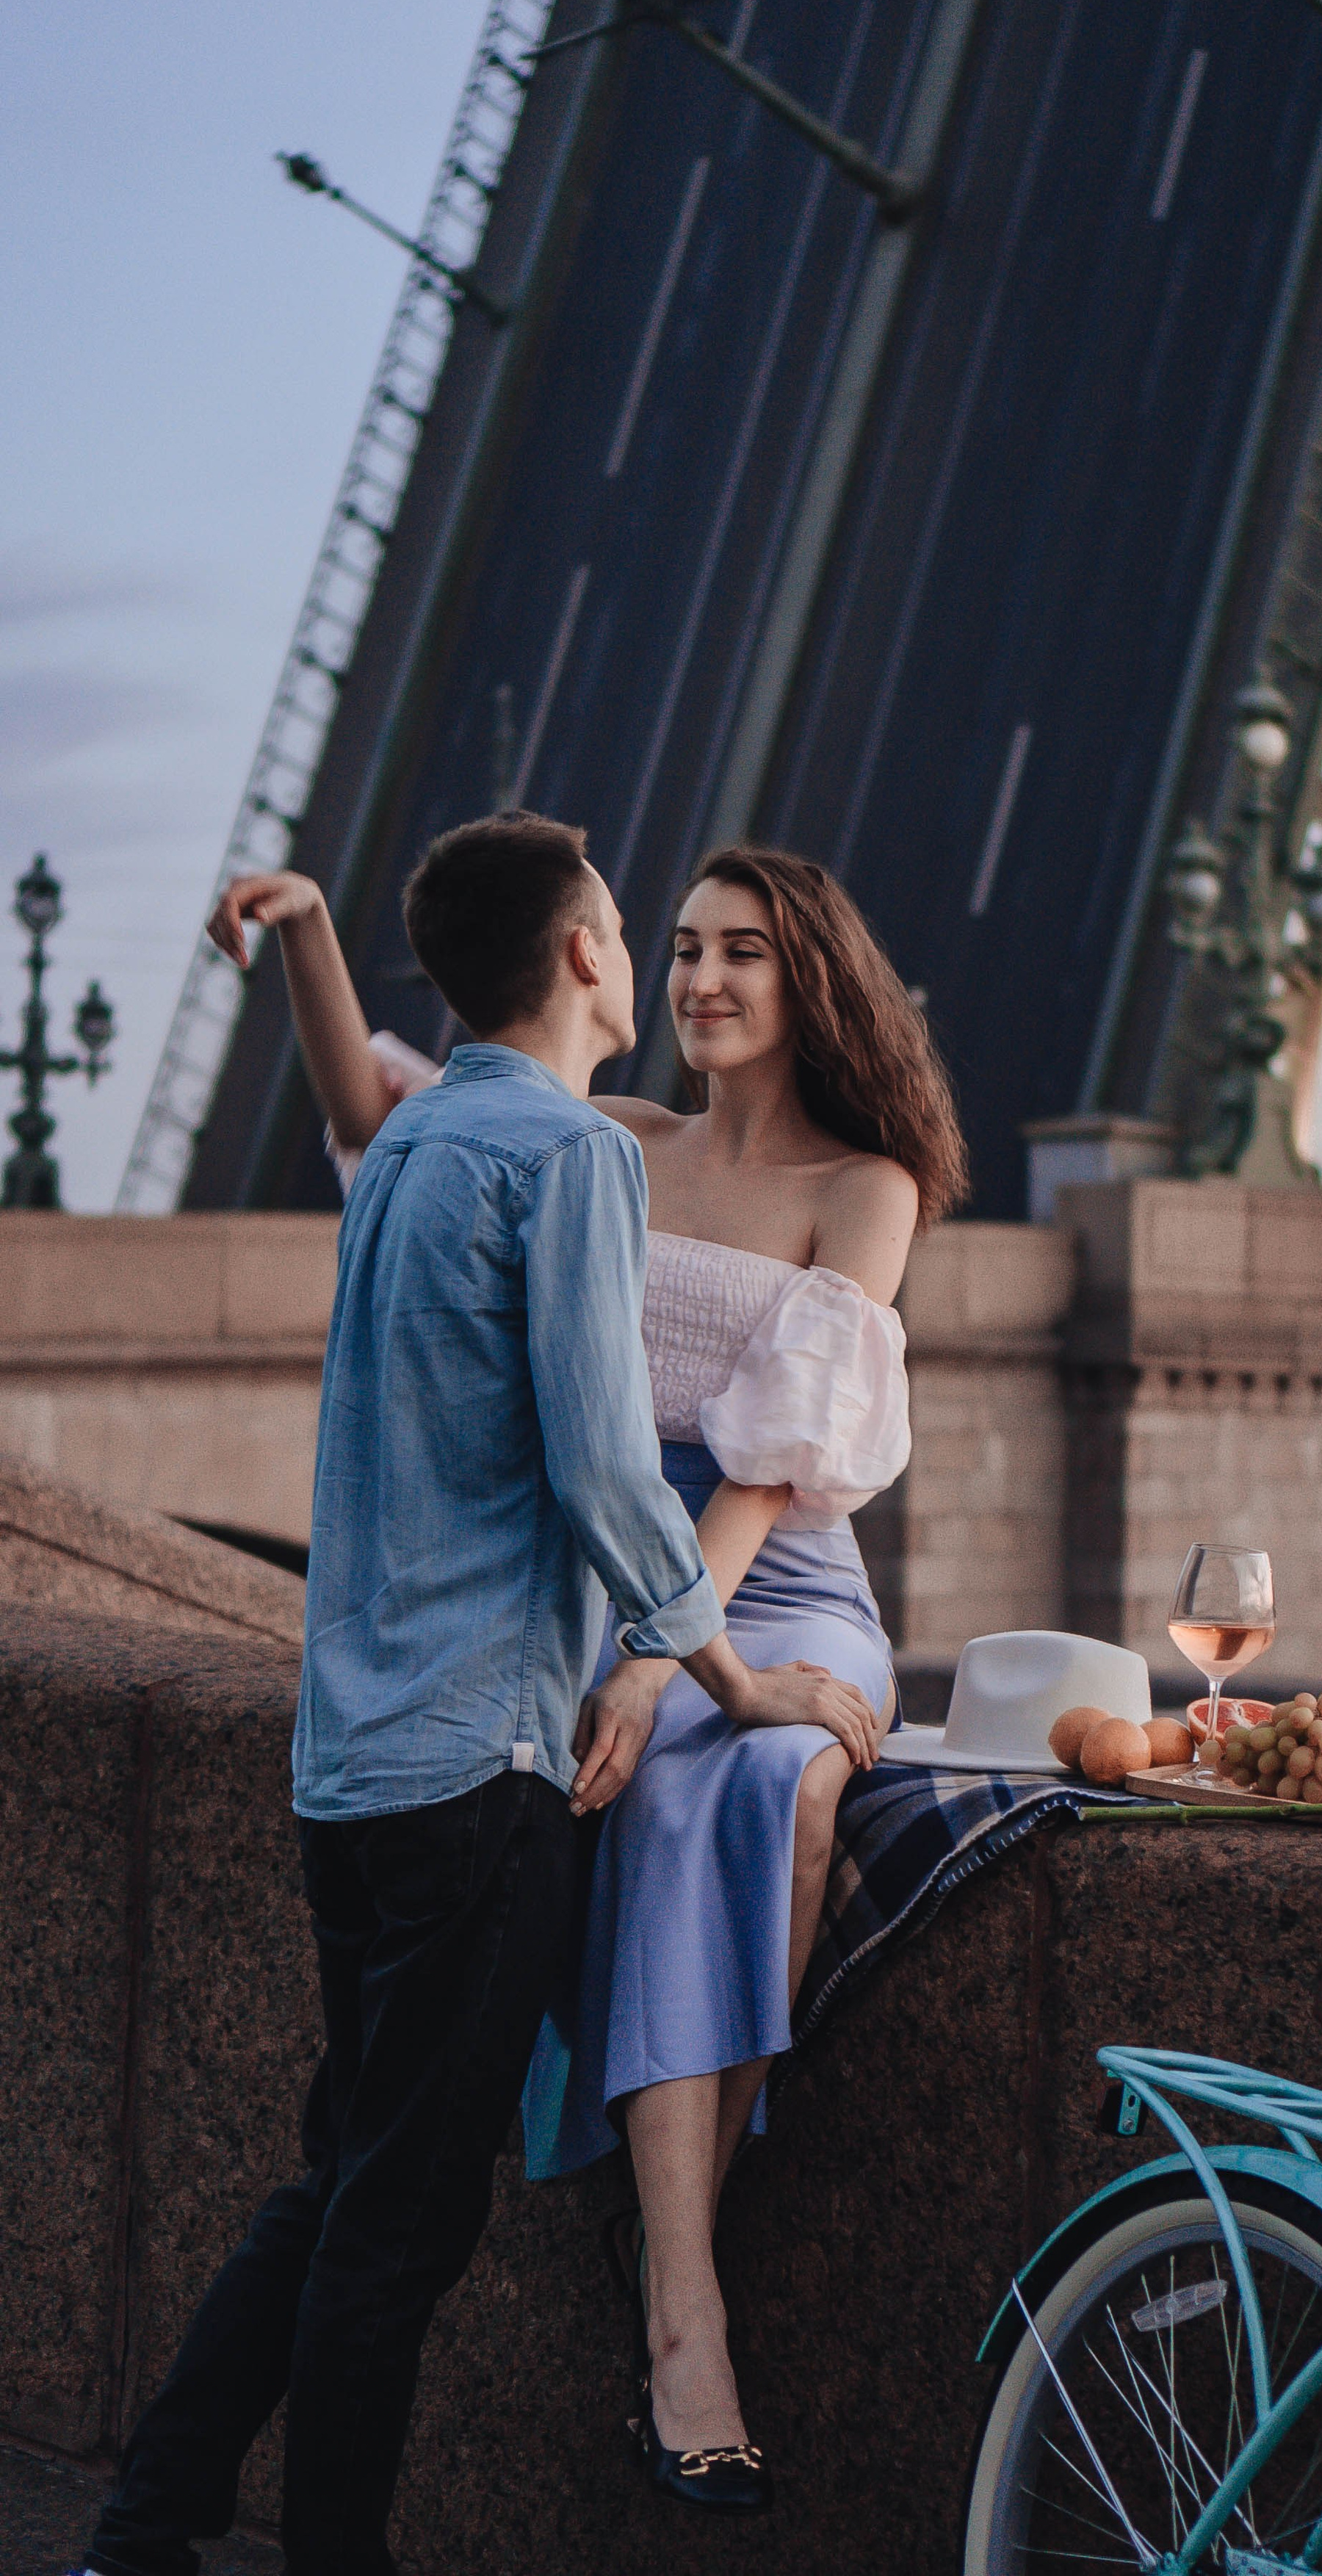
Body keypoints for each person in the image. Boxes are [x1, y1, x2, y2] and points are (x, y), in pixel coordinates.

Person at [85, 814, 881, 2576]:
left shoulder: (424, 1144)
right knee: (396, 2228)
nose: (667, 962)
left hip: (352, 1760)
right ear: (589, 955)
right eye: (642, 932)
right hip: (482, 1762)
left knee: (341, 2178)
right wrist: (731, 1677)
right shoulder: (574, 1156)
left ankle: (140, 2530)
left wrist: (308, 930)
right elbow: (605, 1469)